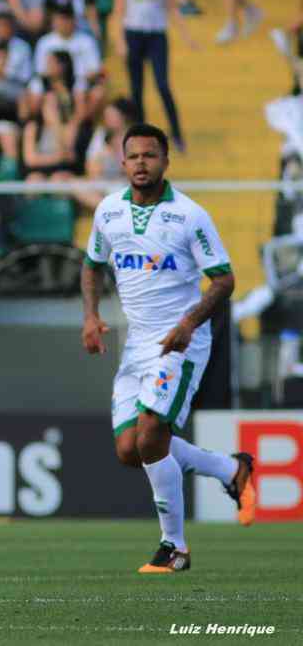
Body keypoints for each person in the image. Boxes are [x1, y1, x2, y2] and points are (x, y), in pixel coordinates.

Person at [81, 123, 256, 573]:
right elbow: (92, 264)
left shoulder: (190, 215)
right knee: (128, 449)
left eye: (150, 156)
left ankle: (174, 547)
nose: (142, 163)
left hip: (183, 340)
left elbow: (224, 280)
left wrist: (188, 323)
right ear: (122, 163)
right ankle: (228, 469)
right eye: (134, 156)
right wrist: (91, 316)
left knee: (152, 430)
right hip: (138, 342)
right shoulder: (108, 212)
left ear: (165, 162)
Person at [113, 0, 196, 151]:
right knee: (136, 89)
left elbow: (171, 7)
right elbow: (119, 10)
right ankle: (140, 137)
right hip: (134, 33)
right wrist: (120, 40)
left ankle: (176, 132)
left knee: (162, 84)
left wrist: (186, 35)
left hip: (157, 34)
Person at [32, 2, 104, 113]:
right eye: (60, 19)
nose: (63, 23)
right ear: (53, 21)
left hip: (80, 83)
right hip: (52, 84)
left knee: (92, 92)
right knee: (37, 90)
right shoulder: (45, 42)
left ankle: (82, 125)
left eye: (67, 19)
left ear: (74, 20)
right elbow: (40, 71)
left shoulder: (86, 41)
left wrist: (79, 80)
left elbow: (95, 69)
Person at [23, 50, 81, 182]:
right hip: (38, 173)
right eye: (48, 104)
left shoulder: (69, 126)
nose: (50, 107)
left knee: (58, 179)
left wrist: (55, 124)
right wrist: (57, 157)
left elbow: (69, 155)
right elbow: (30, 160)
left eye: (53, 105)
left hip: (61, 173)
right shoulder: (32, 127)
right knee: (34, 180)